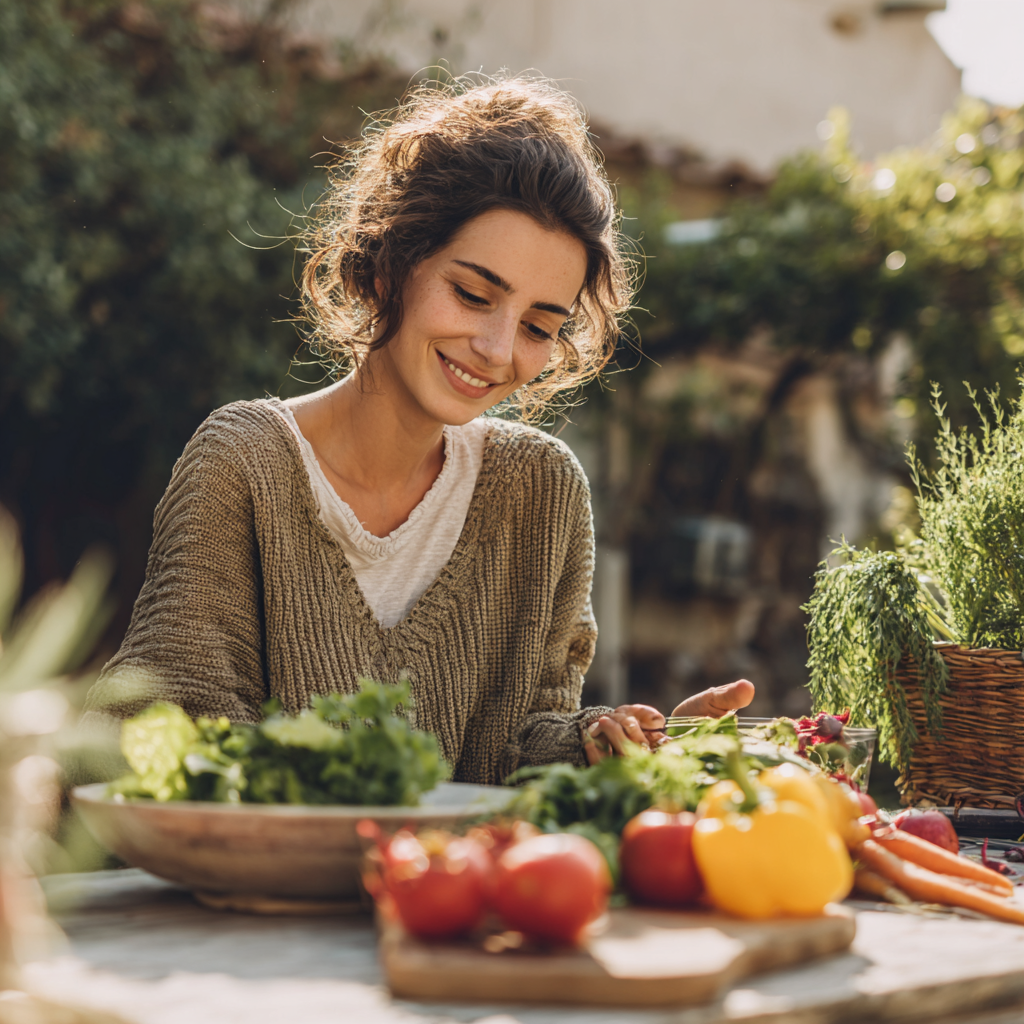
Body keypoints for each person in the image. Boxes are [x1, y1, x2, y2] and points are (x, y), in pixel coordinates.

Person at [84, 75, 753, 784]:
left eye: (536, 326)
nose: (498, 349)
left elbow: (521, 749)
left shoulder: (543, 492)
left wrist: (616, 747)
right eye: (472, 294)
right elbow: (165, 730)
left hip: (448, 896)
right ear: (389, 263)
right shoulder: (244, 465)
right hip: (247, 894)